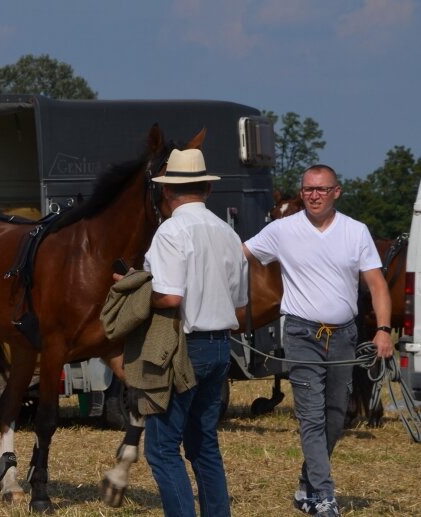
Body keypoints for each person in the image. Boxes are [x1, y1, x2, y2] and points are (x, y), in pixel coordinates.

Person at [243, 165, 392, 517]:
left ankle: (306, 485)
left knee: (336, 417)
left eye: (321, 189)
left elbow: (377, 285)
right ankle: (324, 498)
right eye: (308, 189)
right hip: (301, 333)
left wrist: (383, 330)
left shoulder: (356, 232)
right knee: (311, 417)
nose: (313, 195)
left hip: (344, 336)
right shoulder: (282, 230)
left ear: (336, 192)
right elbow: (238, 255)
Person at [141, 148, 248, 517]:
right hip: (221, 347)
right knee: (204, 444)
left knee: (162, 448)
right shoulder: (229, 234)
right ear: (207, 189)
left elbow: (170, 297)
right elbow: (240, 306)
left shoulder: (170, 231)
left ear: (167, 192)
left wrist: (138, 293)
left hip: (183, 348)